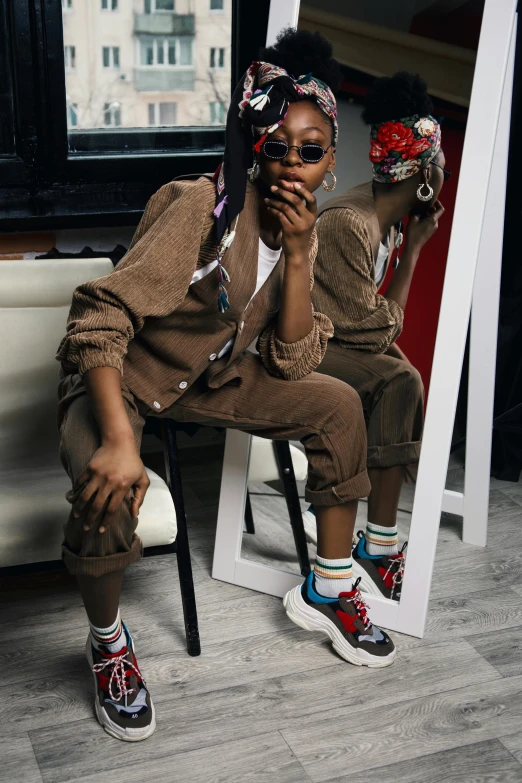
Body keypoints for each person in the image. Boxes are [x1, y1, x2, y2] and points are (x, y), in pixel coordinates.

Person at [56, 29, 396, 743]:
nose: (293, 167)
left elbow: (294, 361)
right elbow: (100, 313)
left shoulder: (308, 233)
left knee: (335, 403)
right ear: (252, 145)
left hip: (204, 380)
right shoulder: (199, 206)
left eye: (312, 151)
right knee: (107, 483)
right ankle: (107, 641)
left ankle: (331, 587)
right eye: (277, 147)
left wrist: (299, 255)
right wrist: (120, 440)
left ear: (333, 161)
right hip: (120, 379)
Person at [305, 72, 447, 601]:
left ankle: (380, 542)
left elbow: (373, 323)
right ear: (424, 174)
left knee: (403, 375)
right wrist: (412, 255)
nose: (445, 173)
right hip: (299, 345)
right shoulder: (351, 223)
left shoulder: (385, 219)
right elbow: (375, 327)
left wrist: (410, 246)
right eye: (439, 163)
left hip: (335, 337)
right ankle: (379, 547)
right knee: (399, 381)